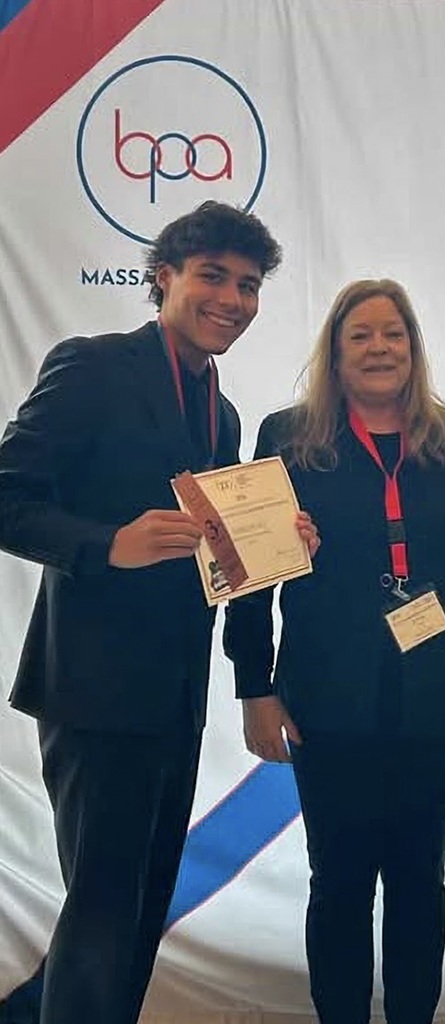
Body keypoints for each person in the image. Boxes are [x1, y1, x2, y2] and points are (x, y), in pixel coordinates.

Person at [0, 201, 310, 1024]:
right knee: (102, 911)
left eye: (248, 285)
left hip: (175, 695)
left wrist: (273, 539)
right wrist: (109, 543)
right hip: (91, 690)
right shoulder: (93, 367)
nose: (233, 300)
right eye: (214, 276)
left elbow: (211, 548)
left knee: (141, 912)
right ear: (164, 276)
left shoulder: (223, 409)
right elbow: (6, 497)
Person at [224, 278, 445, 1024]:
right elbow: (249, 576)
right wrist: (253, 687)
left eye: (394, 333)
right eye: (361, 335)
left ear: (414, 349)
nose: (380, 347)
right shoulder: (287, 441)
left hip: (434, 703)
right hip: (326, 701)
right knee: (340, 884)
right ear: (335, 351)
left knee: (422, 881)